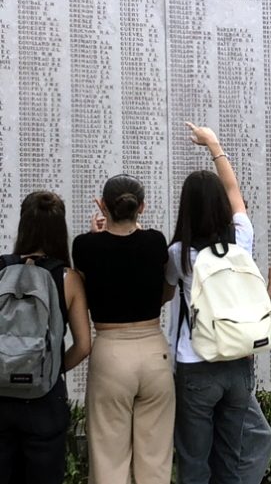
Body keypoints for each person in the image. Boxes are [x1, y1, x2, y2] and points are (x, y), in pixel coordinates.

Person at [165, 122, 271, 484]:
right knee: (233, 454)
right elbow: (234, 191)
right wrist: (213, 144)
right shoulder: (241, 241)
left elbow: (164, 296)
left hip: (194, 364)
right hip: (237, 361)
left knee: (194, 457)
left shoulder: (178, 255)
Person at [73, 174, 174, 484]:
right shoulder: (156, 241)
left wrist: (98, 235)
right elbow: (166, 294)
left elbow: (87, 291)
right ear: (141, 207)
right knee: (155, 460)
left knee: (108, 460)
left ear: (103, 206)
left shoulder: (84, 246)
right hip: (155, 351)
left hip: (110, 353)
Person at [0, 191, 91, 484]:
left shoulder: (1, 269)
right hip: (45, 402)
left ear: (23, 225)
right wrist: (51, 369)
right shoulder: (68, 278)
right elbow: (84, 345)